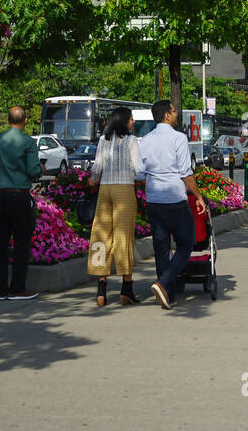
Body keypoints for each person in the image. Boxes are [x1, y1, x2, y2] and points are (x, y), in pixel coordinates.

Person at [135, 99, 206, 310]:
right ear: (167, 115)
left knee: (161, 247)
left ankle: (169, 294)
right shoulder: (179, 138)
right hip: (175, 198)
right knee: (186, 243)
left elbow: (139, 174)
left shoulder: (145, 140)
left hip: (154, 200)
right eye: (174, 111)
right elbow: (185, 172)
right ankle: (163, 282)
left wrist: (155, 182)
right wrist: (199, 196)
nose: (176, 114)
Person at [0, 106, 42, 301]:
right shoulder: (27, 142)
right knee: (21, 243)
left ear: (9, 120)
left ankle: (0, 290)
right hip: (20, 195)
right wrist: (40, 168)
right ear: (25, 120)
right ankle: (17, 288)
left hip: (0, 195)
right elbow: (32, 170)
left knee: (0, 243)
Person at [86, 106, 141, 308]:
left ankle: (101, 290)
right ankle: (126, 288)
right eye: (131, 119)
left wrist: (92, 180)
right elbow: (138, 168)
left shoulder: (103, 139)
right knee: (123, 237)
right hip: (124, 189)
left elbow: (97, 167)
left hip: (104, 190)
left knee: (101, 234)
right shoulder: (131, 140)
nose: (133, 121)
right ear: (124, 121)